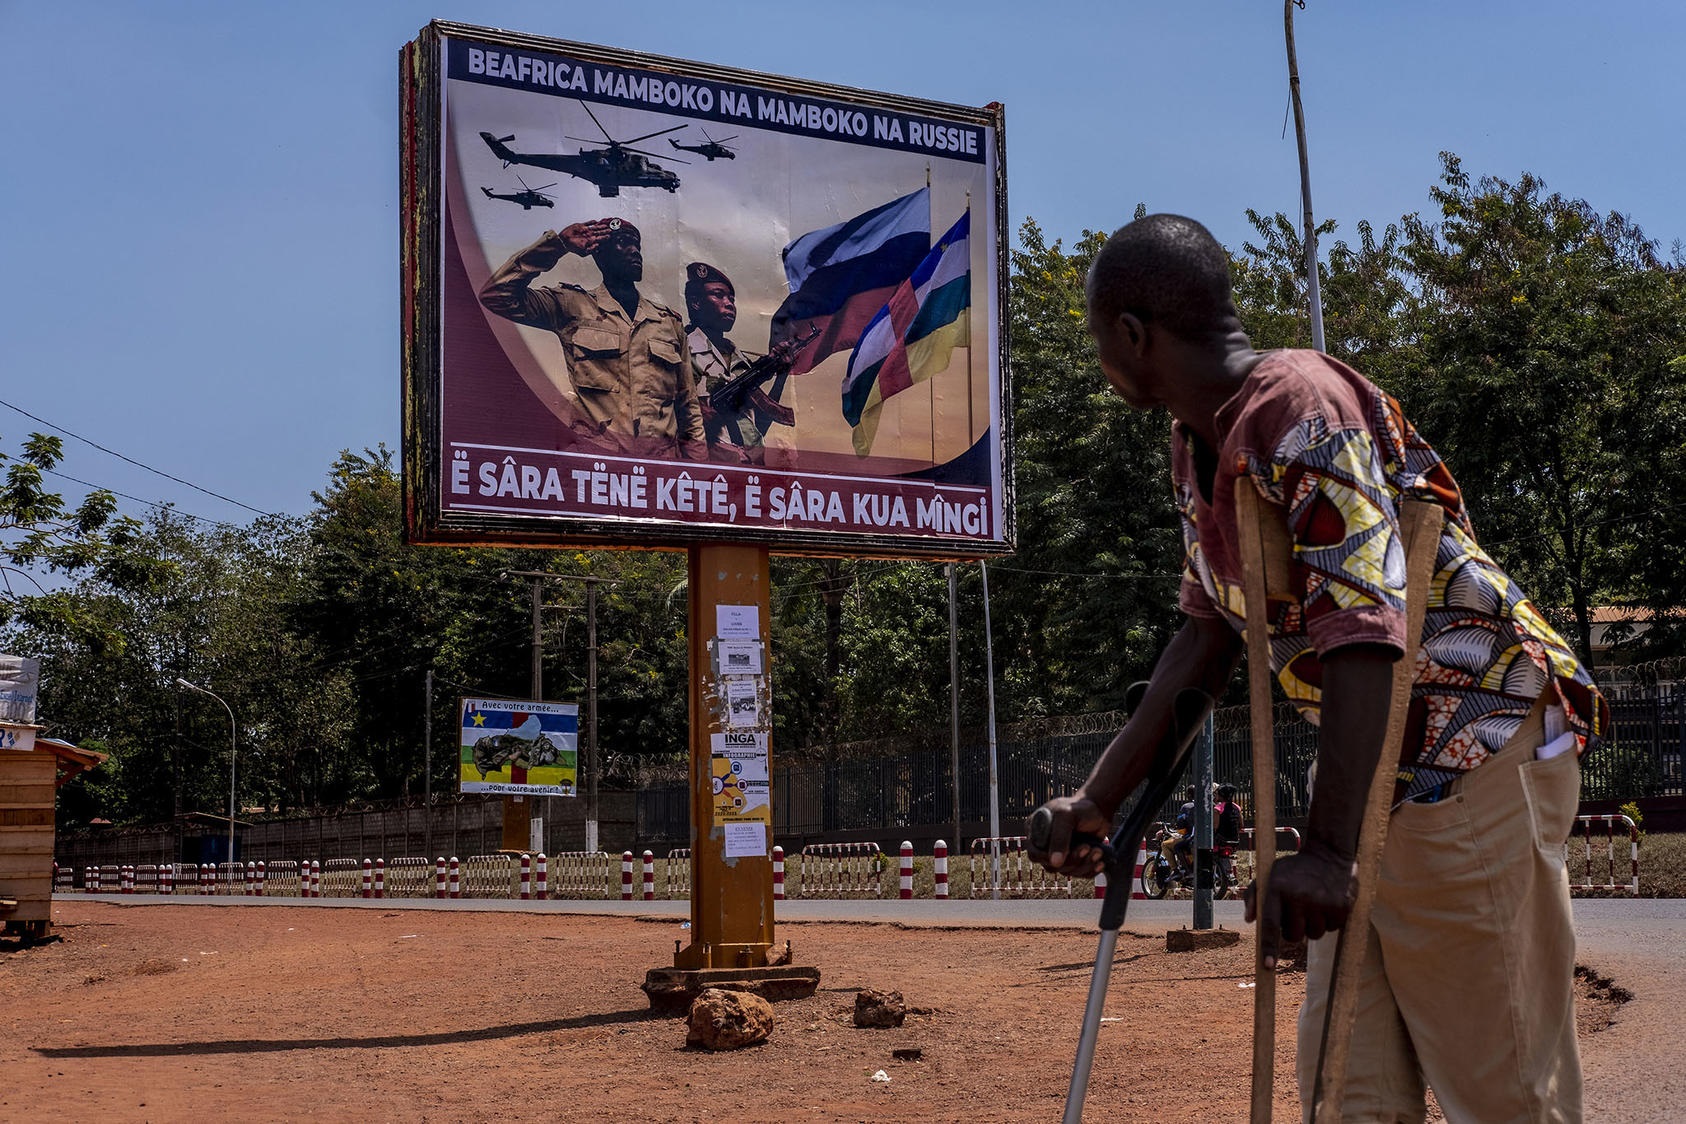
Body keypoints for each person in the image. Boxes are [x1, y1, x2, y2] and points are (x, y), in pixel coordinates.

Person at [1028, 213, 1607, 1122]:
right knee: (1348, 1090)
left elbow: (1367, 631)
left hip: (1469, 751)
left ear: (1132, 337)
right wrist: (1097, 799)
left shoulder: (1301, 409)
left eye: (1100, 340)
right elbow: (1206, 637)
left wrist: (1328, 851)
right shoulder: (1198, 442)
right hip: (1380, 778)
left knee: (1502, 1090)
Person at [480, 218, 706, 459]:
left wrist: (699, 473)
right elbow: (497, 295)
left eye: (637, 245)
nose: (635, 251)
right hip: (597, 469)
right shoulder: (573, 306)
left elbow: (688, 407)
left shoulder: (667, 322)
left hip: (659, 470)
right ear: (598, 253)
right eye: (623, 243)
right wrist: (558, 246)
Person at [682, 262, 797, 464]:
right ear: (695, 302)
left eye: (732, 299)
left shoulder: (739, 360)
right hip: (708, 467)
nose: (729, 304)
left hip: (750, 466)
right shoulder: (682, 351)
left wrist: (781, 375)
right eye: (718, 295)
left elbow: (757, 427)